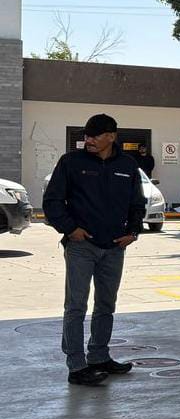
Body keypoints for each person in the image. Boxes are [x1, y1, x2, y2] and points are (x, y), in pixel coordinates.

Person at [43, 114, 146, 386]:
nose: (88, 140)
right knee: (76, 306)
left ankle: (99, 356)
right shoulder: (71, 163)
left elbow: (138, 203)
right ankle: (77, 367)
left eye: (95, 135)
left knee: (105, 305)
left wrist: (133, 231)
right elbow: (52, 201)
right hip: (81, 246)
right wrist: (70, 229)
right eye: (86, 135)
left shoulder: (127, 165)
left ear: (111, 136)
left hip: (114, 247)